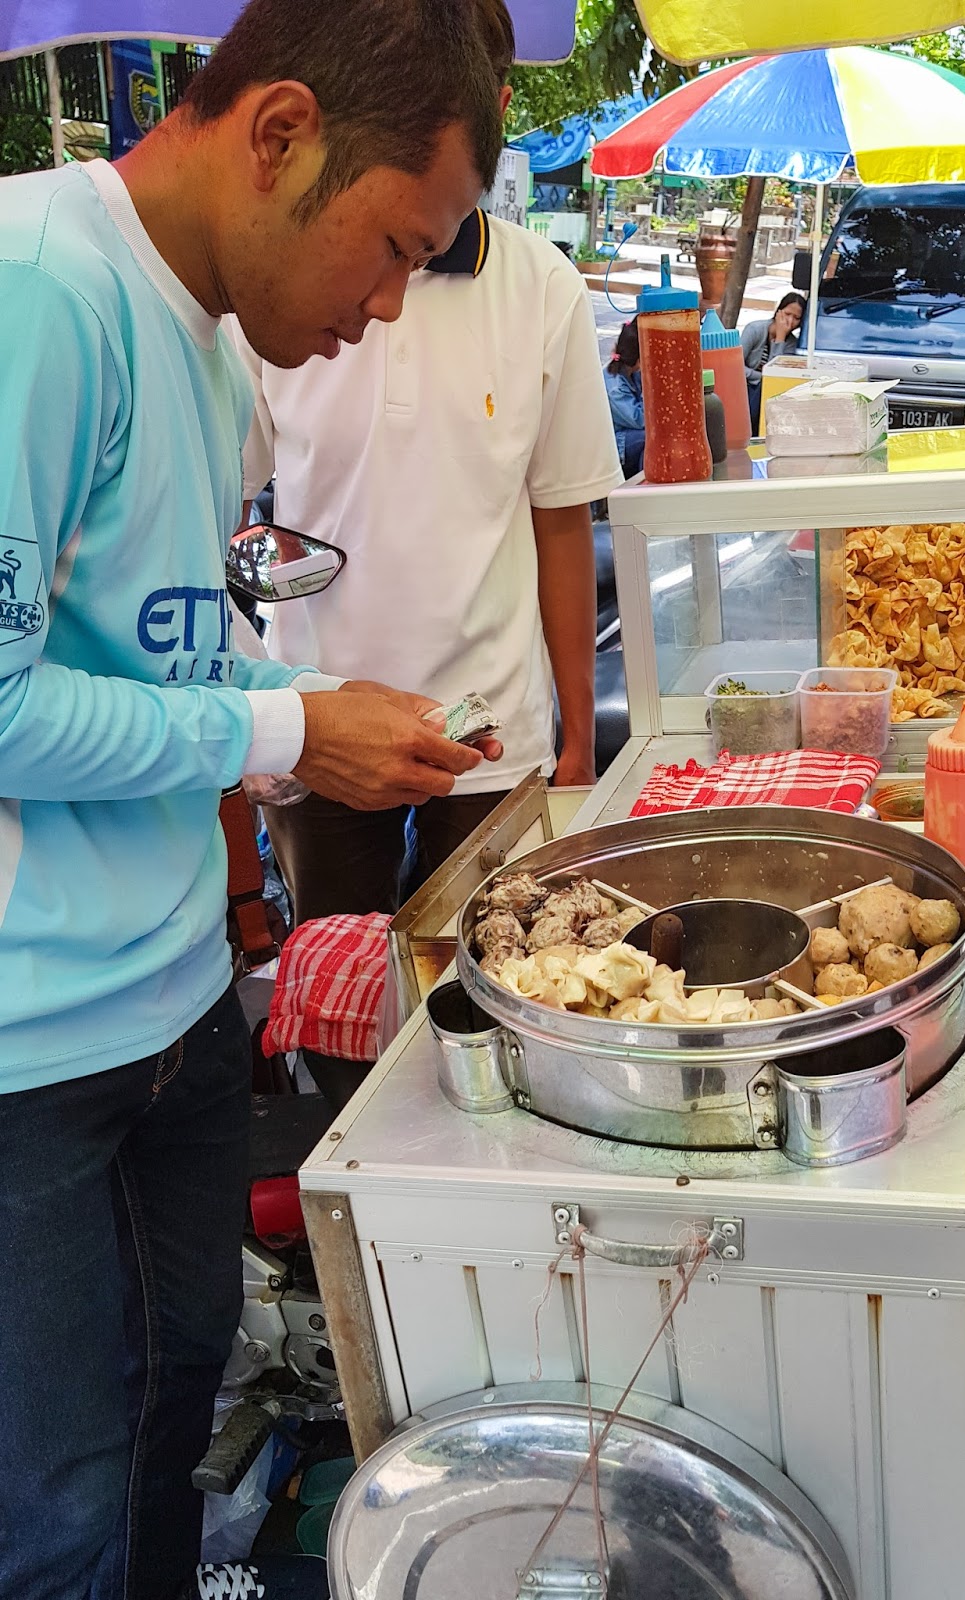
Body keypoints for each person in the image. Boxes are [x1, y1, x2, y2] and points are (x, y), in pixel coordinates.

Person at [0, 2, 505, 1596]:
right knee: (58, 1508)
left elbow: (167, 657)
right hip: (26, 1051)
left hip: (175, 1010)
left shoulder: (222, 360)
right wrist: (284, 723)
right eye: (394, 247)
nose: (389, 302)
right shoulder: (38, 295)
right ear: (281, 133)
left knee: (173, 1425)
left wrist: (319, 724)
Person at [235, 0, 623, 937]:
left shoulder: (542, 287)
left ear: (495, 107)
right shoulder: (285, 285)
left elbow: (562, 519)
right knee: (334, 978)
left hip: (492, 734)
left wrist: (575, 741)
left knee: (493, 970)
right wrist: (260, 713)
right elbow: (222, 504)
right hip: (321, 721)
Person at [741, 290, 806, 430]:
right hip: (744, 385)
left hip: (764, 390)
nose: (790, 321)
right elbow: (736, 366)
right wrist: (760, 377)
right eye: (787, 314)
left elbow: (775, 374)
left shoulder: (791, 343)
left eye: (796, 318)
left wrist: (780, 338)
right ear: (778, 312)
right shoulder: (754, 329)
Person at [604, 319, 645, 478]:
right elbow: (640, 420)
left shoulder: (631, 373)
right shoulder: (615, 388)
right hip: (618, 443)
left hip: (628, 434)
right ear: (638, 360)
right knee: (650, 438)